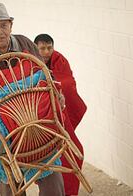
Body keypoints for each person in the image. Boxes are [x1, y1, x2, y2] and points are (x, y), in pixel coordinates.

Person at [0, 3, 65, 196]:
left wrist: (57, 91)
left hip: (37, 127)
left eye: (3, 25)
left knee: (53, 185)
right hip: (2, 137)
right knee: (10, 188)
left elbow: (45, 74)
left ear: (11, 25)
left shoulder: (26, 45)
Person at [34, 34, 87, 196]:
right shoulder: (31, 63)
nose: (46, 51)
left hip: (61, 112)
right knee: (47, 157)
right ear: (36, 48)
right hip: (42, 116)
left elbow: (68, 83)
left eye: (49, 47)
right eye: (42, 48)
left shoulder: (59, 60)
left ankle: (70, 192)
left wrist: (54, 86)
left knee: (74, 150)